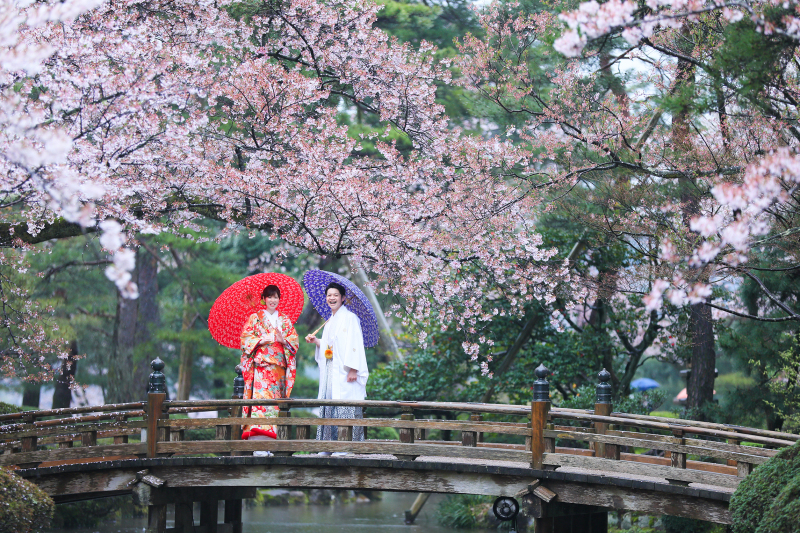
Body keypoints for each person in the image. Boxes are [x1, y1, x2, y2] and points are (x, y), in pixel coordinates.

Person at [305, 282, 369, 452]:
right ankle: (327, 446)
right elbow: (329, 347)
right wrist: (317, 341)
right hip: (330, 370)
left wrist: (354, 369)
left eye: (335, 295)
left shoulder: (350, 318)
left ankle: (345, 447)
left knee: (345, 406)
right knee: (329, 404)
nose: (331, 298)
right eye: (329, 295)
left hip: (345, 370)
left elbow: (355, 344)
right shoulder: (330, 320)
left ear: (343, 298)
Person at [240, 284, 299, 442]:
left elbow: (294, 342)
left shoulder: (284, 320)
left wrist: (283, 340)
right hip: (262, 369)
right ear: (263, 299)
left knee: (274, 404)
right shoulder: (255, 318)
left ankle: (271, 442)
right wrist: (260, 340)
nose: (273, 300)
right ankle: (258, 443)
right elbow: (245, 340)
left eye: (276, 297)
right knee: (261, 403)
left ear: (279, 299)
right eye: (270, 297)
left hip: (278, 370)